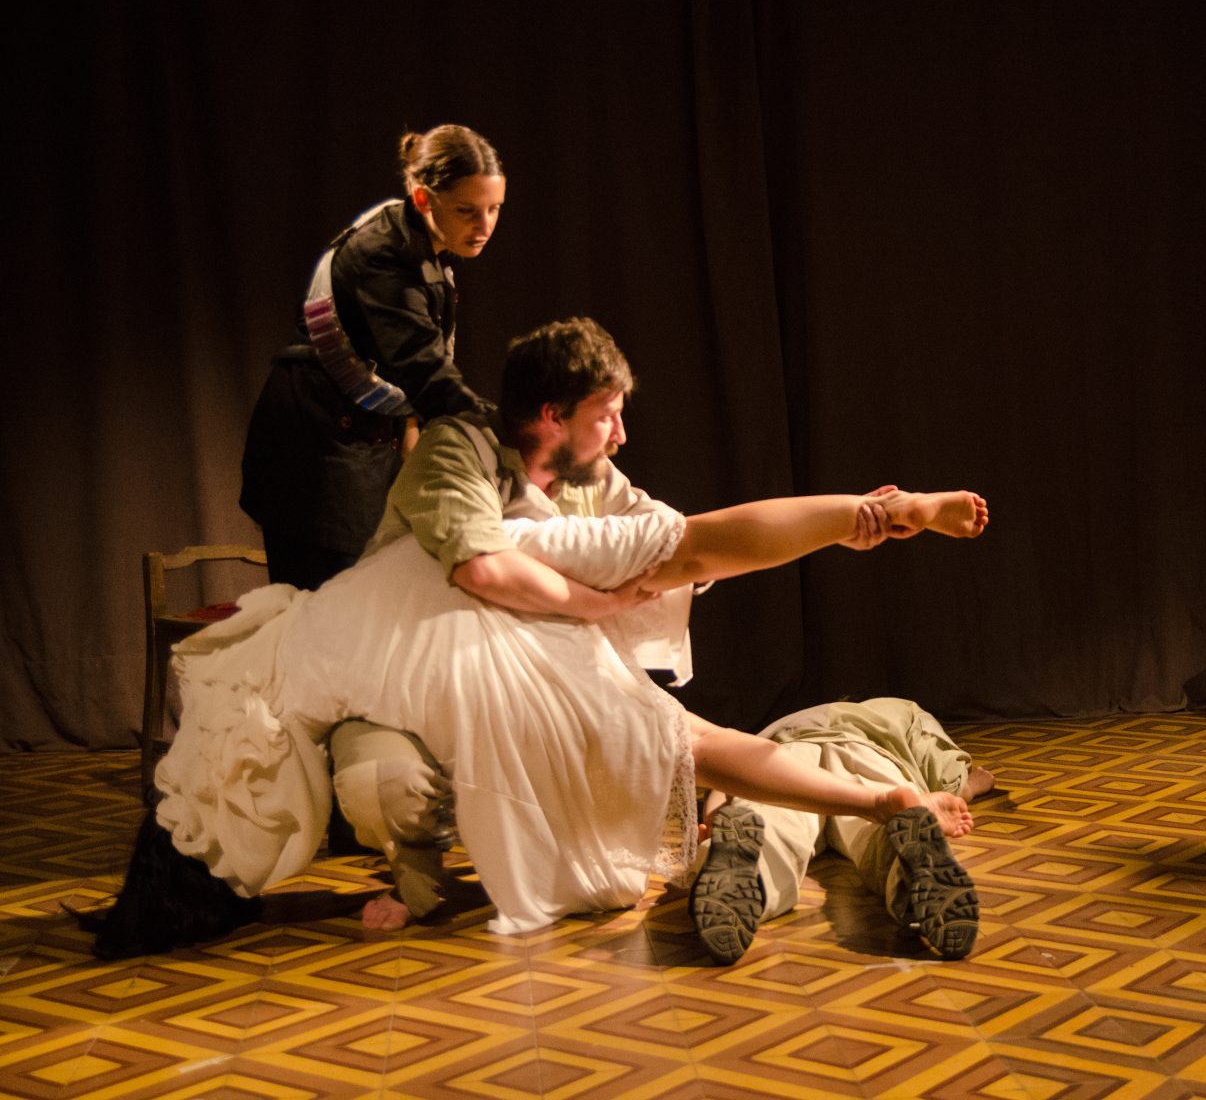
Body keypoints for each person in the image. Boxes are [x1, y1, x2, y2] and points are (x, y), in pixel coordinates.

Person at [91, 318, 989, 958]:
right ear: (555, 416)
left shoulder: (593, 490)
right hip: (411, 651)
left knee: (677, 739)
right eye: (608, 414)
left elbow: (690, 540)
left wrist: (871, 517)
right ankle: (410, 878)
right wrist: (880, 513)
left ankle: (879, 805)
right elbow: (497, 570)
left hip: (484, 648)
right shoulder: (464, 459)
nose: (622, 432)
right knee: (417, 774)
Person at [240, 123, 504, 590]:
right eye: (468, 211)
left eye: (494, 209)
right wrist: (509, 437)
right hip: (316, 448)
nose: (484, 226)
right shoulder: (383, 254)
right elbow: (421, 365)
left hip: (363, 440)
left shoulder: (432, 244)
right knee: (324, 612)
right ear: (423, 199)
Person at [691, 697, 997, 964]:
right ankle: (907, 882)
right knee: (880, 827)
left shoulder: (773, 726)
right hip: (863, 754)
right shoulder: (905, 712)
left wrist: (716, 814)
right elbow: (944, 774)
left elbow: (727, 768)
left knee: (769, 822)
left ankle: (749, 877)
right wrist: (971, 784)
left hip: (786, 763)